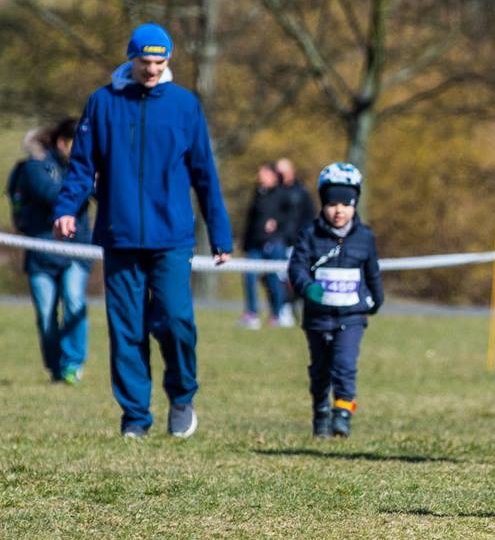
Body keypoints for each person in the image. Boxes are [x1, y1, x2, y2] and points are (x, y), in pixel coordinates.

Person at [53, 23, 233, 438]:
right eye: (145, 61)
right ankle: (135, 417)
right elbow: (82, 166)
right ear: (131, 58)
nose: (152, 70)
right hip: (120, 234)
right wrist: (67, 208)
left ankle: (182, 395)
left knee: (175, 320)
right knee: (126, 329)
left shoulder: (185, 106)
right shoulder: (102, 103)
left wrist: (220, 233)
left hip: (172, 237)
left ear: (168, 61)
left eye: (159, 62)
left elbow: (205, 174)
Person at [287, 162, 383, 438]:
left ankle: (343, 412)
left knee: (345, 365)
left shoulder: (364, 238)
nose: (338, 210)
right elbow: (296, 267)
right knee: (320, 370)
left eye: (345, 203)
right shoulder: (309, 235)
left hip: (351, 317)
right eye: (331, 203)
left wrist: (377, 298)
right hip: (318, 318)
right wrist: (307, 287)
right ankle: (321, 412)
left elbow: (372, 272)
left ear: (355, 204)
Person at [17, 119, 92, 384]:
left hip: (76, 248)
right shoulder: (35, 166)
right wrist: (83, 185)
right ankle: (55, 368)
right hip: (42, 249)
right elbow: (50, 194)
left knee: (74, 301)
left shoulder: (86, 167)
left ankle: (73, 363)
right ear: (63, 142)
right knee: (47, 315)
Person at [238, 162, 290, 329]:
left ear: (273, 176)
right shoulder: (258, 193)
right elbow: (251, 219)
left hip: (274, 244)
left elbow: (291, 219)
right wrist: (245, 242)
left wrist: (277, 224)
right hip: (255, 244)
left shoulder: (283, 194)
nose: (260, 176)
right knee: (249, 277)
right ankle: (251, 313)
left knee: (273, 279)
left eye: (264, 173)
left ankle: (277, 313)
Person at [276, 157, 316, 325]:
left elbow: (309, 218)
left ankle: (297, 307)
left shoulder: (301, 193)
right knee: (279, 278)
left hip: (296, 242)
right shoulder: (272, 193)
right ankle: (282, 308)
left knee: (296, 277)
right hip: (278, 242)